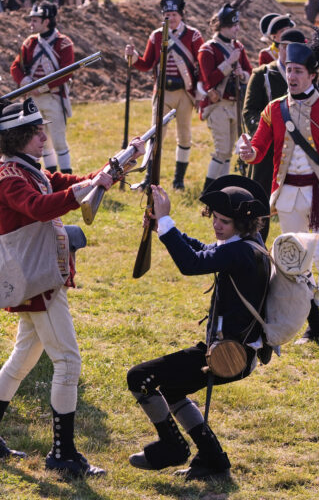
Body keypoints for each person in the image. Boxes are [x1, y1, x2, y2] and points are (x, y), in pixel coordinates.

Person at [0, 98, 145, 477]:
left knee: (22, 359)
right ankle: (62, 454)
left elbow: (75, 183)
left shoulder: (30, 171)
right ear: (18, 138)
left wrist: (124, 162)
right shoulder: (11, 178)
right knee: (67, 362)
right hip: (38, 280)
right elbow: (41, 207)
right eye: (36, 132)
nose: (44, 137)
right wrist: (91, 185)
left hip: (40, 276)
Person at [126, 175, 270, 481]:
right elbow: (205, 251)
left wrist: (166, 221)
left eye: (224, 221)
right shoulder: (248, 244)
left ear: (242, 223)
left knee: (139, 377)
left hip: (229, 355)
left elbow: (191, 263)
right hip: (234, 350)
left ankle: (172, 447)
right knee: (173, 388)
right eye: (214, 218)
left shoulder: (240, 252)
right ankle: (214, 460)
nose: (217, 225)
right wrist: (164, 227)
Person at [239, 30, 319, 350]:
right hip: (288, 195)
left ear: (313, 75)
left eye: (298, 71)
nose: (291, 76)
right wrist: (248, 153)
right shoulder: (273, 109)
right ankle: (313, 325)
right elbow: (259, 149)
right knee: (296, 264)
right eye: (289, 70)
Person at [242, 28, 319, 242]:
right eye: (283, 46)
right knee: (261, 201)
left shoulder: (314, 73)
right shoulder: (263, 74)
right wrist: (265, 137)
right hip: (267, 152)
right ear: (278, 48)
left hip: (305, 154)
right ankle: (257, 245)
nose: (287, 51)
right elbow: (250, 111)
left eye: (293, 47)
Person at [125, 0, 203, 190]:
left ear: (181, 15)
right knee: (156, 135)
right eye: (167, 14)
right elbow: (147, 64)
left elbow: (201, 65)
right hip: (162, 92)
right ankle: (149, 178)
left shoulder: (193, 35)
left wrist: (201, 90)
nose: (171, 18)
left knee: (184, 135)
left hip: (185, 92)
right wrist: (133, 57)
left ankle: (178, 181)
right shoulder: (157, 36)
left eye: (174, 14)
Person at [10, 1, 76, 174]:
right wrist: (27, 83)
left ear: (46, 21)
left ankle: (67, 177)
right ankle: (51, 176)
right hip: (33, 99)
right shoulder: (29, 43)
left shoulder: (63, 43)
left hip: (54, 98)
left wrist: (43, 87)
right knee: (42, 142)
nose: (31, 24)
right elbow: (15, 67)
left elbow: (66, 72)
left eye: (35, 20)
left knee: (59, 141)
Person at [197, 0, 252, 193]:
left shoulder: (238, 47)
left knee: (228, 152)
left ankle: (223, 190)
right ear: (222, 26)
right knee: (221, 151)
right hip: (218, 104)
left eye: (237, 24)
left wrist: (241, 74)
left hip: (235, 104)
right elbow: (208, 79)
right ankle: (208, 192)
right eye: (232, 25)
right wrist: (229, 63)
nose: (237, 29)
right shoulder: (208, 49)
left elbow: (249, 72)